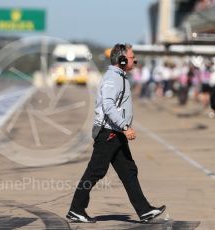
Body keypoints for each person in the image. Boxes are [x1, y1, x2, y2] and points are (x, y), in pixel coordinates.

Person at [66, 43, 165, 223]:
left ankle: (144, 210)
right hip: (109, 132)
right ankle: (76, 209)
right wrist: (125, 127)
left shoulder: (120, 76)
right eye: (131, 56)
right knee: (95, 171)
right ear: (121, 59)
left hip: (115, 132)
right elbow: (108, 106)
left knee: (128, 171)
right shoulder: (113, 78)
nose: (134, 59)